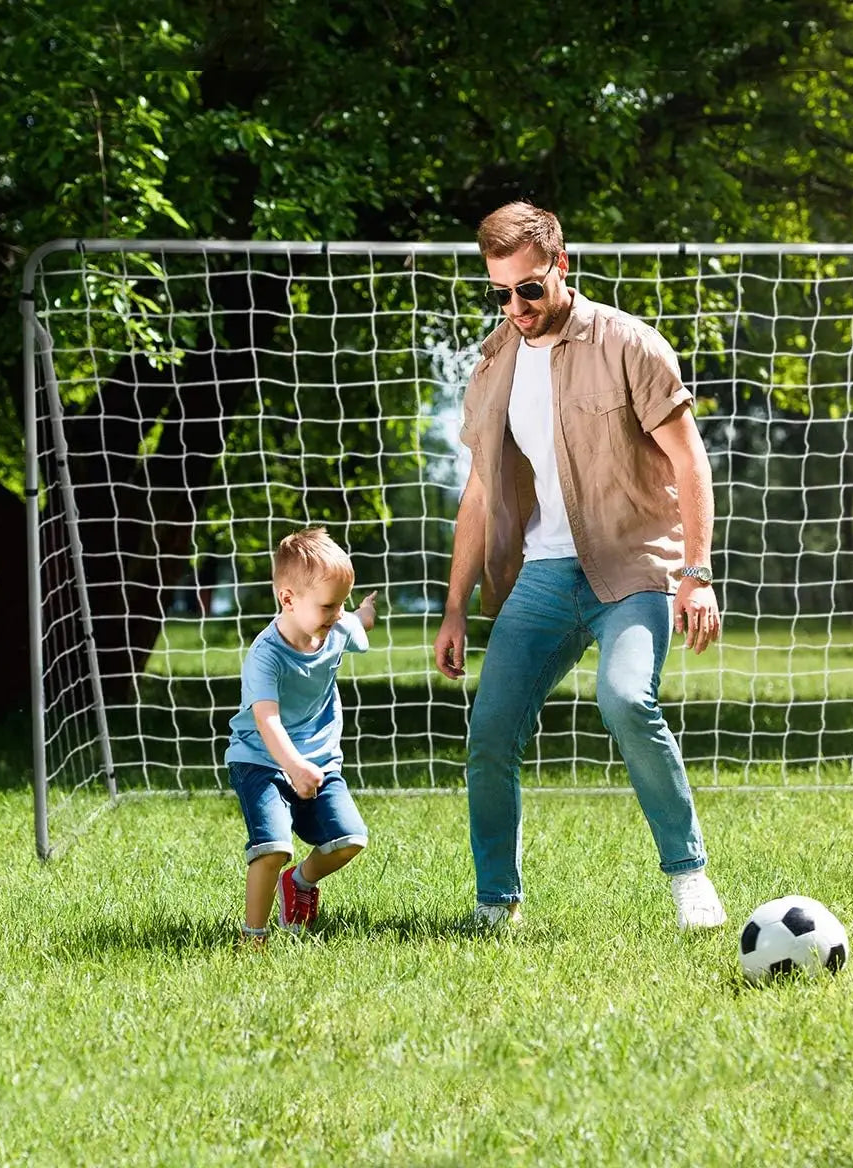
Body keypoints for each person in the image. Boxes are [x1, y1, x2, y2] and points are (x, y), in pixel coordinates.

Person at [433, 200, 727, 932]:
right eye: (500, 293)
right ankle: (496, 903)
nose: (516, 307)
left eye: (529, 289)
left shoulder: (629, 344)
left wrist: (698, 573)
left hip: (632, 567)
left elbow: (689, 459)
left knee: (626, 699)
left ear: (562, 266)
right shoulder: (496, 360)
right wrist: (455, 606)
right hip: (544, 574)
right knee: (491, 731)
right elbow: (477, 493)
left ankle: (689, 876)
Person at [226, 526, 377, 944]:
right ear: (288, 599)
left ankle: (300, 883)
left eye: (342, 603)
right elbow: (267, 720)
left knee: (350, 839)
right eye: (330, 605)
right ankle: (252, 937)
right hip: (261, 759)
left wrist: (363, 613)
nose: (338, 614)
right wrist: (293, 766)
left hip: (320, 759)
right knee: (273, 847)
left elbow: (357, 628)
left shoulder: (338, 626)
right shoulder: (266, 655)